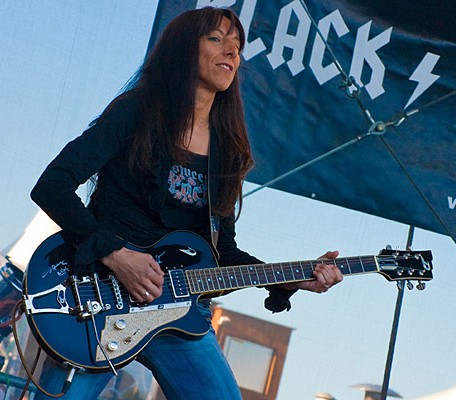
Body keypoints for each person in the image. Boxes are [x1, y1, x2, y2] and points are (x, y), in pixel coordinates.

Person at [30, 7, 343, 400]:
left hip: (179, 314)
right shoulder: (137, 111)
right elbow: (52, 185)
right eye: (216, 38)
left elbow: (222, 252)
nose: (232, 51)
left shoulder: (228, 153)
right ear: (183, 49)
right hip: (96, 301)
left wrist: (291, 277)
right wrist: (116, 254)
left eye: (238, 45)